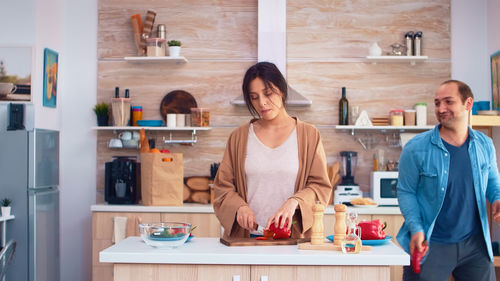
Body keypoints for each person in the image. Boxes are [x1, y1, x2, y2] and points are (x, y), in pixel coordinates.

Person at [213, 62, 332, 239]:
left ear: (282, 90)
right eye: (254, 97)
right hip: (248, 238)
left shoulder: (309, 135)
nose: (262, 103)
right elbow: (223, 188)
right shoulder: (238, 137)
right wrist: (239, 206)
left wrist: (295, 202)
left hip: (293, 239)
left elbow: (320, 187)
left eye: (268, 94)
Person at [397, 80, 500, 281]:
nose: (441, 108)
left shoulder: (485, 144)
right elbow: (405, 191)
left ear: (468, 103)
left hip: (475, 244)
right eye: (437, 103)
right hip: (430, 242)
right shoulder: (416, 148)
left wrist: (497, 198)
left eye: (448, 102)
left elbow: (492, 181)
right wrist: (416, 228)